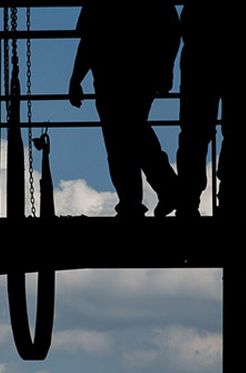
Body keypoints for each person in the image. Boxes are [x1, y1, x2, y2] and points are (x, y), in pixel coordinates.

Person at [68, 0, 181, 218]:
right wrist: (167, 69)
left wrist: (76, 78)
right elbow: (171, 29)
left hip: (111, 77)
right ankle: (159, 192)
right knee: (133, 133)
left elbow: (88, 40)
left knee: (121, 139)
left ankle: (138, 200)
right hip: (139, 74)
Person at [168, 0, 246, 218]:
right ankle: (232, 200)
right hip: (244, 59)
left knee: (195, 135)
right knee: (240, 135)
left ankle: (189, 200)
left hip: (202, 57)